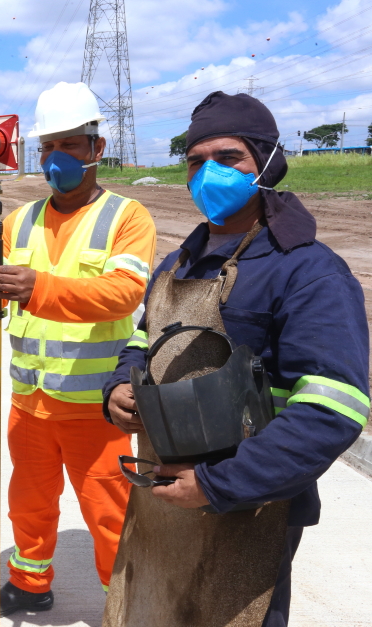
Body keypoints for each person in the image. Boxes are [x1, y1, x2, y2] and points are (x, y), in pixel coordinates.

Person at [104, 92, 369, 627]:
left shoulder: (308, 272)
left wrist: (217, 484)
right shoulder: (181, 262)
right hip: (165, 490)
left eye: (228, 159)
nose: (208, 173)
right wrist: (117, 387)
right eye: (196, 161)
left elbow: (332, 411)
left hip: (249, 505)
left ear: (267, 163)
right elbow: (143, 337)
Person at [0, 81, 157, 618]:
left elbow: (125, 291)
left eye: (71, 144)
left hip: (97, 409)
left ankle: (122, 606)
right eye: (48, 146)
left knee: (110, 515)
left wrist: (38, 289)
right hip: (29, 401)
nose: (57, 157)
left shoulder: (126, 217)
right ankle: (29, 583)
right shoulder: (21, 218)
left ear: (96, 148)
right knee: (28, 506)